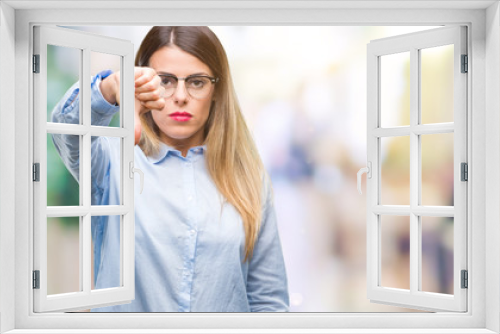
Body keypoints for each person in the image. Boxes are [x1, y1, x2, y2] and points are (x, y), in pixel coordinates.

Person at [51, 26, 289, 312]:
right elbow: (65, 126)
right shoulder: (111, 162)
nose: (180, 96)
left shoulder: (248, 177)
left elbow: (268, 301)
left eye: (197, 82)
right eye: (165, 81)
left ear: (216, 90)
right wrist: (111, 87)